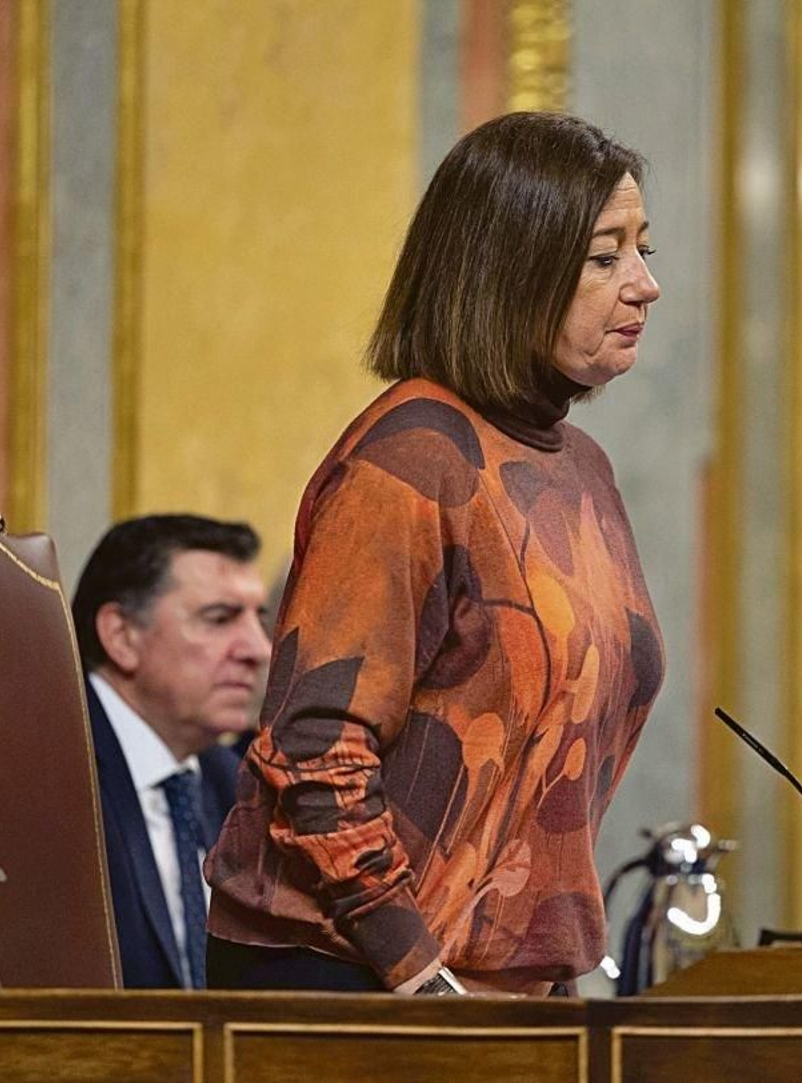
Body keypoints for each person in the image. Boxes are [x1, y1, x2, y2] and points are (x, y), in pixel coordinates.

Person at [204, 111, 665, 997]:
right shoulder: (413, 459)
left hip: (485, 998)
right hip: (355, 982)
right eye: (606, 257)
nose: (644, 285)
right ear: (511, 270)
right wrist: (419, 974)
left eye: (644, 250)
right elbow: (313, 746)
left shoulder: (584, 470)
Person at [71, 515, 272, 989]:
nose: (258, 649)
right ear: (122, 636)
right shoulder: (52, 771)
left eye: (257, 619)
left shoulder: (237, 784)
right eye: (220, 618)